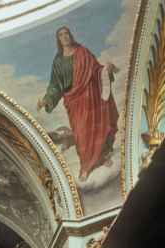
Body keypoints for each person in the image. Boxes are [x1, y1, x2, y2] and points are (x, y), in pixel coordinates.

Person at [37, 26, 119, 182]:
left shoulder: (82, 52)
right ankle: (86, 166)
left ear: (70, 35)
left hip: (91, 96)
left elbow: (96, 70)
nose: (64, 36)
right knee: (81, 133)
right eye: (61, 35)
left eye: (66, 33)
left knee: (97, 128)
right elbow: (55, 85)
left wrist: (106, 70)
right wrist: (47, 99)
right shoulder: (58, 61)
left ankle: (101, 157)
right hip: (74, 101)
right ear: (58, 40)